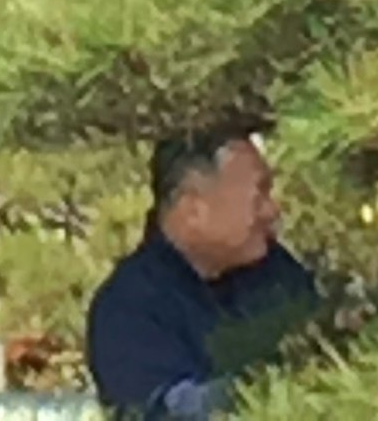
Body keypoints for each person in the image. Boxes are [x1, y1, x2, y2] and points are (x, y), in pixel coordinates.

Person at [83, 128, 317, 416]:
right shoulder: (129, 310)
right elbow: (171, 412)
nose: (272, 210)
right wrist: (283, 381)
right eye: (260, 194)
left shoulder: (276, 274)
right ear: (194, 209)